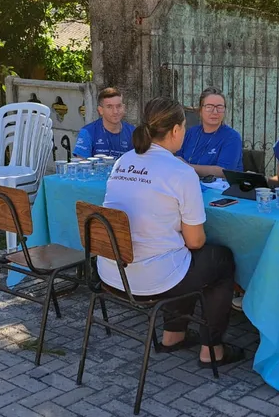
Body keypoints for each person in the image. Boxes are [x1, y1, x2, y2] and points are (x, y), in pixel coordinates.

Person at [100, 97, 245, 367]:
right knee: (219, 259)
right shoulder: (181, 172)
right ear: (176, 130)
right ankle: (211, 350)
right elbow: (195, 241)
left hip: (111, 272)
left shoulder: (122, 161)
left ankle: (173, 335)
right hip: (151, 279)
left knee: (179, 257)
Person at [176, 87, 243, 178]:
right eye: (209, 107)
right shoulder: (191, 133)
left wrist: (187, 167)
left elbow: (223, 171)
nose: (215, 112)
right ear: (200, 110)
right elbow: (178, 159)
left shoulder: (232, 137)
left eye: (219, 107)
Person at [73, 87, 136, 158]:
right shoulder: (88, 132)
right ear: (100, 110)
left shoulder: (133, 132)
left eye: (118, 106)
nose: (115, 111)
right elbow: (81, 163)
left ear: (123, 108)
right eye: (109, 107)